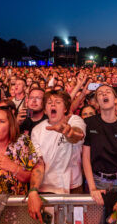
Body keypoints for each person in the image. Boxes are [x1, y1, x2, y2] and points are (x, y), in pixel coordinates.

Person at [27, 91, 86, 221]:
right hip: (47, 188)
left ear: (65, 108)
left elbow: (77, 135)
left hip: (74, 187)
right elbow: (39, 163)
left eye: (58, 102)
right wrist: (33, 191)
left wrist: (68, 132)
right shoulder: (37, 130)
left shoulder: (74, 120)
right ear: (46, 109)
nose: (53, 104)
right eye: (49, 103)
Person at [82, 85, 117, 224]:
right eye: (100, 93)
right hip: (97, 179)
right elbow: (86, 158)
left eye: (108, 92)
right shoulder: (88, 124)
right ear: (96, 101)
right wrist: (92, 187)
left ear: (116, 99)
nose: (104, 94)